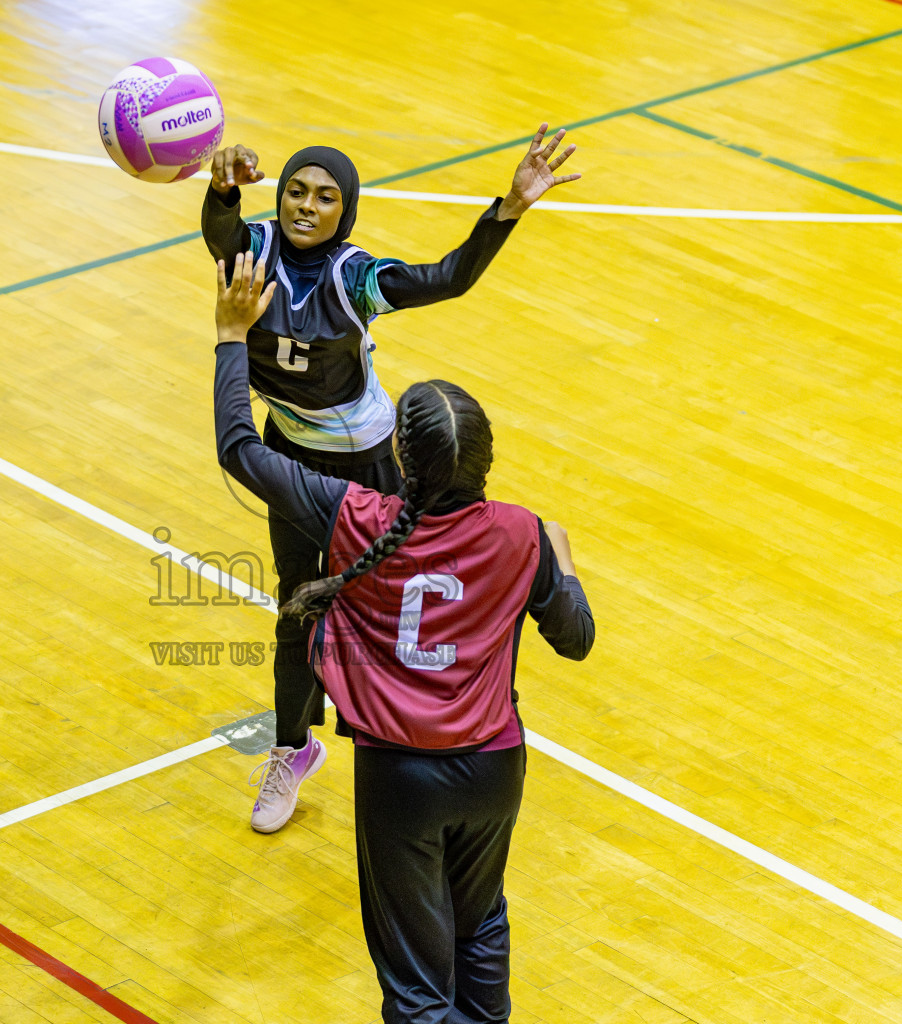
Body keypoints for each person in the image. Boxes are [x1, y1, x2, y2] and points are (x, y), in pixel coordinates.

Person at [211, 250, 595, 1023]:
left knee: (415, 980)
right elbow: (577, 639)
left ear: (398, 458)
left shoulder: (356, 516)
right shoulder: (521, 534)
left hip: (400, 780)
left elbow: (240, 451)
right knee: (481, 922)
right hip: (494, 766)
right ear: (486, 463)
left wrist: (229, 338)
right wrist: (567, 566)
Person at [202, 124, 581, 832]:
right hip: (292, 450)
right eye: (294, 191)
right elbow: (219, 232)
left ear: (344, 213)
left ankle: (420, 723)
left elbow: (447, 278)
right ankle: (293, 748)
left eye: (324, 197)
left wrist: (508, 209)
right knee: (296, 608)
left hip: (369, 461)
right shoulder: (251, 251)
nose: (304, 206)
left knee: (389, 597)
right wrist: (221, 188)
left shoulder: (355, 279)